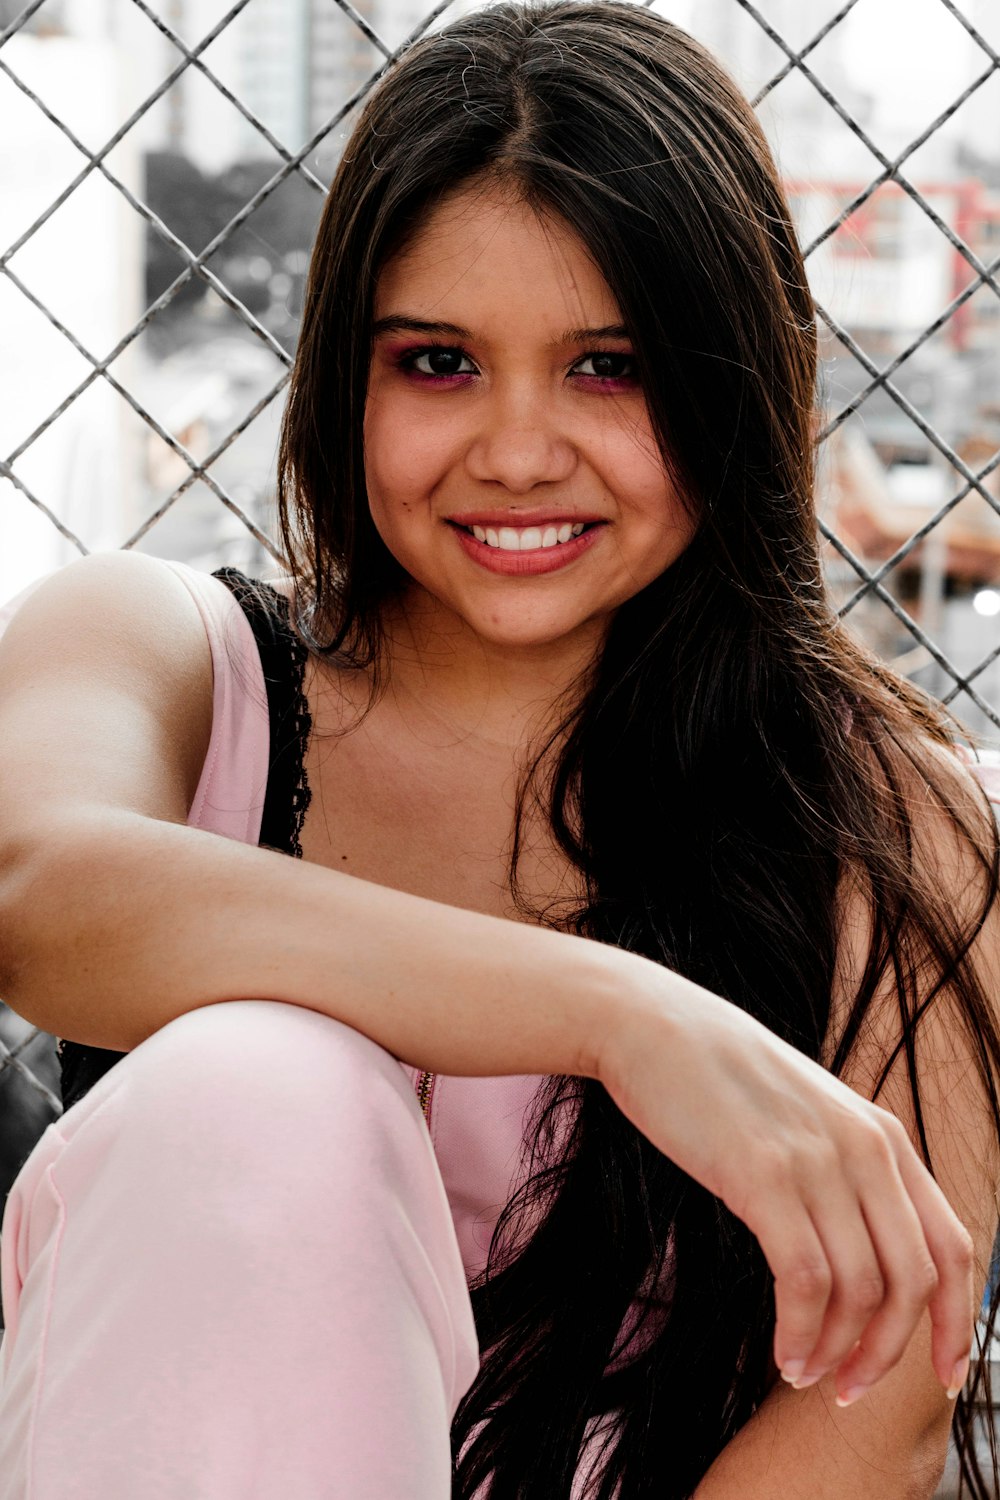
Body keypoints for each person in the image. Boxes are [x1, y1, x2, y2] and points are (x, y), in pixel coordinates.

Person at [0, 2, 998, 1495]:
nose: (519, 450)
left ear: (730, 381)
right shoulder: (167, 658)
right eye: (439, 363)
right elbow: (40, 891)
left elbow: (880, 1404)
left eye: (608, 366)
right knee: (260, 1090)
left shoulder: (885, 820)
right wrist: (628, 1020)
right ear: (347, 375)